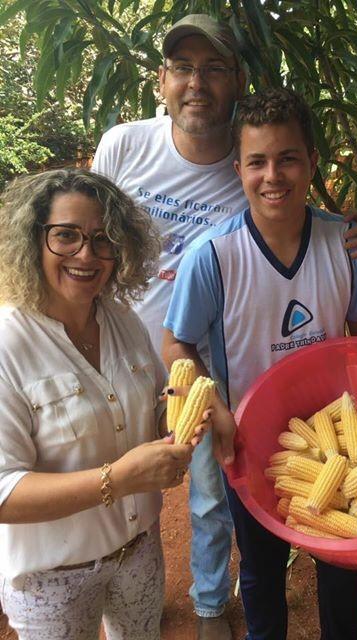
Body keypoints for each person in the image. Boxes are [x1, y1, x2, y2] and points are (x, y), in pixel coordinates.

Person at [91, 14, 357, 639]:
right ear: (162, 79)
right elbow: (85, 233)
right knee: (150, 500)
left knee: (229, 506)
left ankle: (206, 605)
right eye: (183, 67)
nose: (270, 176)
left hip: (317, 417)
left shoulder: (326, 234)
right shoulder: (130, 153)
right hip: (154, 361)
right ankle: (155, 608)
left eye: (214, 67)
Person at [161, 88, 357, 640]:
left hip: (342, 432)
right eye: (257, 161)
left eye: (287, 158)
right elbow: (176, 344)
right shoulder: (211, 256)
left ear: (311, 163)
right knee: (260, 565)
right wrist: (211, 403)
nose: (272, 175)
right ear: (239, 169)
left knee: (341, 563)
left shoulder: (343, 242)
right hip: (250, 438)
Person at [0, 168, 209, 640]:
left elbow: (158, 403)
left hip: (138, 552)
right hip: (51, 576)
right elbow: (3, 490)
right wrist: (118, 479)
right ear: (33, 240)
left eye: (103, 239)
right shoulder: (8, 345)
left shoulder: (123, 321)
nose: (87, 254)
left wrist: (176, 417)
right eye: (66, 236)